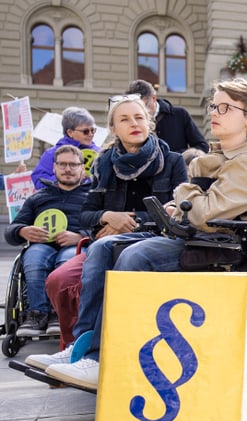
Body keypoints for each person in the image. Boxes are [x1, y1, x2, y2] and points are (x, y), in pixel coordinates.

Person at [23, 95, 188, 358]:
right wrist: (109, 216)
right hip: (106, 239)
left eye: (139, 117)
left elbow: (176, 211)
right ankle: (72, 349)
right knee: (57, 281)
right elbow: (86, 214)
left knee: (103, 251)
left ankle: (89, 351)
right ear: (113, 128)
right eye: (124, 119)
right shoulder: (103, 162)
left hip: (150, 238)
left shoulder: (173, 161)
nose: (134, 123)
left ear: (149, 123)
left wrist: (128, 220)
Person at [5, 145, 90, 336]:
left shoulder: (92, 197)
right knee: (34, 259)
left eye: (73, 164)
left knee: (66, 262)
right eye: (62, 164)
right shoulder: (38, 198)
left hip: (76, 244)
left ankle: (58, 314)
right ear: (54, 168)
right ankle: (36, 314)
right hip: (42, 244)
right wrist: (23, 230)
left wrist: (80, 236)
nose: (67, 169)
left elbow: (102, 228)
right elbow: (10, 231)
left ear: (82, 168)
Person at [126, 79, 209, 153]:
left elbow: (202, 147)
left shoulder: (180, 115)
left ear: (154, 98)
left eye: (144, 106)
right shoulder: (130, 122)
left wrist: (176, 159)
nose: (141, 112)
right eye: (136, 107)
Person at [30, 107, 101, 189]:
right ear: (70, 132)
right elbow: (39, 182)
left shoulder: (99, 153)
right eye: (85, 131)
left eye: (93, 130)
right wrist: (67, 179)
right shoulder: (52, 154)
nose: (90, 134)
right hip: (60, 200)